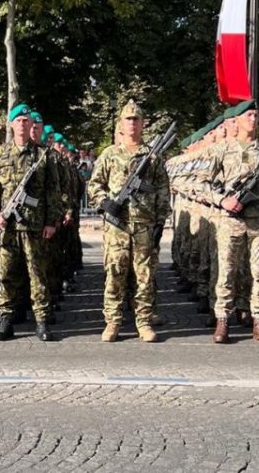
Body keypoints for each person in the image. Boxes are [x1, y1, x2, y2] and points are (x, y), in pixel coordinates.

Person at [88, 100, 170, 344]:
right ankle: (112, 322)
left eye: (136, 119)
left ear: (142, 124)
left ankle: (143, 322)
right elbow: (94, 185)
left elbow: (163, 190)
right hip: (117, 226)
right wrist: (105, 203)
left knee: (144, 276)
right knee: (115, 273)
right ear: (120, 125)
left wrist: (160, 222)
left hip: (144, 224)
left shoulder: (152, 157)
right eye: (128, 119)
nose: (132, 123)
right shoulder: (110, 154)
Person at [208, 100, 259, 344]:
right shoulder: (221, 150)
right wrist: (222, 201)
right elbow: (200, 183)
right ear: (237, 120)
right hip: (231, 221)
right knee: (227, 272)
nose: (254, 119)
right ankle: (223, 320)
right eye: (249, 115)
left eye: (256, 114)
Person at [0, 103, 61, 342]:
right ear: (11, 124)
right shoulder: (0, 154)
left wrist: (51, 221)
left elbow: (53, 191)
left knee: (37, 274)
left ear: (31, 125)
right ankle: (6, 320)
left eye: (26, 120)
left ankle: (41, 321)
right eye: (18, 120)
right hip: (7, 227)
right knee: (7, 275)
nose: (22, 124)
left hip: (34, 225)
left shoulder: (43, 155)